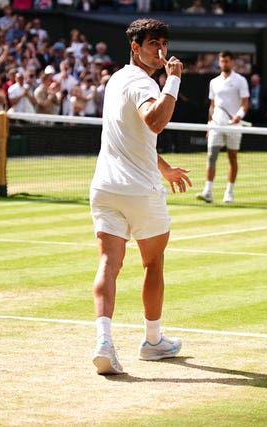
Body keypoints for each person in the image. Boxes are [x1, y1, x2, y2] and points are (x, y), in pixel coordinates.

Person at [89, 18, 192, 375]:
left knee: (108, 264)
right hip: (139, 193)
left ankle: (104, 342)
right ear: (135, 48)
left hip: (105, 188)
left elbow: (133, 137)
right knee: (154, 263)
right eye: (153, 44)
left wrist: (163, 167)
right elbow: (154, 122)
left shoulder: (116, 79)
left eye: (163, 43)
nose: (161, 50)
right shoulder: (142, 82)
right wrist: (174, 79)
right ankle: (153, 342)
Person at [197, 50, 249, 204]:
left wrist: (239, 114)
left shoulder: (240, 81)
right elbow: (212, 106)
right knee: (211, 156)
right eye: (221, 61)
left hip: (234, 125)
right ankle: (207, 191)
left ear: (232, 62)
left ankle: (229, 192)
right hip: (216, 125)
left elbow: (245, 103)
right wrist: (209, 125)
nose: (223, 64)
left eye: (226, 61)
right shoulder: (214, 82)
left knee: (232, 157)